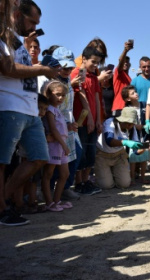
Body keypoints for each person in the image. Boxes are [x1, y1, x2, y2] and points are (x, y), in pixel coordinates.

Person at [0, 0, 60, 226]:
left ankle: (3, 198)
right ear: (16, 13)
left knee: (39, 158)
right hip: (8, 107)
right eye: (31, 20)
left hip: (30, 111)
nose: (34, 26)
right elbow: (7, 68)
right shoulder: (2, 35)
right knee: (2, 162)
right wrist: (42, 69)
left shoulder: (17, 40)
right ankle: (3, 209)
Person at [71, 46, 103, 195]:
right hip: (81, 120)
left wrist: (98, 119)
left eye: (98, 62)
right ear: (84, 59)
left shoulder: (94, 77)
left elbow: (96, 99)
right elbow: (81, 95)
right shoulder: (78, 73)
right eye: (93, 62)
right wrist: (89, 117)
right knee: (81, 152)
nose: (96, 65)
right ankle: (79, 183)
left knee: (91, 151)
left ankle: (86, 181)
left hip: (93, 120)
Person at [51, 46, 81, 201]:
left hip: (70, 123)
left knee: (76, 155)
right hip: (56, 126)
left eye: (70, 66)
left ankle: (65, 188)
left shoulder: (68, 80)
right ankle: (50, 191)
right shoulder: (50, 81)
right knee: (55, 160)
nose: (67, 69)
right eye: (64, 66)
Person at [41, 81, 72, 211]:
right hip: (55, 145)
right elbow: (53, 130)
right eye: (57, 94)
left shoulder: (57, 110)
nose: (61, 98)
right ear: (49, 94)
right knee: (48, 174)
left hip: (61, 145)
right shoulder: (49, 110)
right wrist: (64, 145)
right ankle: (49, 202)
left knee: (65, 174)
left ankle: (57, 200)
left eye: (63, 95)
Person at [95, 107, 143, 189]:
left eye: (132, 124)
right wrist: (125, 142)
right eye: (128, 123)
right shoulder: (110, 123)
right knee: (106, 185)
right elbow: (109, 141)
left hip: (119, 155)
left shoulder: (131, 128)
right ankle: (109, 175)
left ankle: (114, 174)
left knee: (124, 184)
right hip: (103, 155)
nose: (130, 126)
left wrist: (141, 149)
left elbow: (135, 150)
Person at [121, 85, 150, 185]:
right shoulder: (127, 108)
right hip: (133, 136)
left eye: (135, 92)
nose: (136, 94)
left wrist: (145, 125)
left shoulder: (144, 104)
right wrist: (138, 126)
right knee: (133, 157)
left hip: (145, 135)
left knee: (144, 155)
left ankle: (142, 177)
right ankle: (132, 178)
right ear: (128, 98)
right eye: (133, 93)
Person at [131, 56, 150, 130]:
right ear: (140, 67)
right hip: (139, 111)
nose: (146, 69)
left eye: (148, 66)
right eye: (144, 67)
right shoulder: (135, 81)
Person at [111, 40, 133, 115]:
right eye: (124, 61)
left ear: (130, 64)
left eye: (127, 62)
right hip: (119, 108)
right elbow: (120, 63)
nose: (125, 63)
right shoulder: (118, 72)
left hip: (128, 109)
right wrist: (125, 50)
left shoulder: (130, 79)